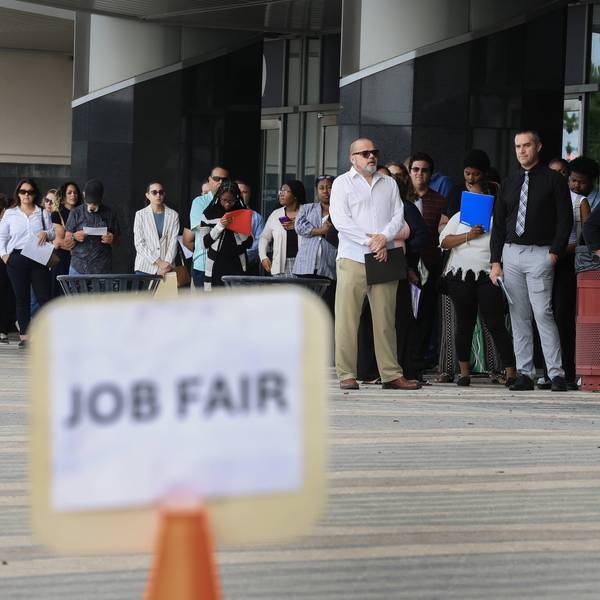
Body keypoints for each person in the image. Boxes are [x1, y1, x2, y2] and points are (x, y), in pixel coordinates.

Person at [329, 137, 420, 391]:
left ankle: (391, 374)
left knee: (385, 319)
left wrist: (384, 238)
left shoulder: (389, 183)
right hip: (353, 257)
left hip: (385, 255)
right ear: (353, 158)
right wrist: (372, 242)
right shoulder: (341, 184)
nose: (371, 156)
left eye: (374, 152)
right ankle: (346, 373)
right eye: (365, 153)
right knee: (348, 318)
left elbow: (397, 215)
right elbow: (340, 221)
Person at [490, 130, 573, 391]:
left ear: (538, 146)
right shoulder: (509, 181)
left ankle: (555, 373)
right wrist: (496, 261)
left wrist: (555, 252)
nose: (522, 151)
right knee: (519, 315)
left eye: (527, 145)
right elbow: (500, 226)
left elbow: (565, 219)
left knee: (542, 313)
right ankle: (525, 373)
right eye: (517, 146)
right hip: (512, 253)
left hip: (541, 253)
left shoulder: (553, 180)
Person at [439, 182, 516, 386]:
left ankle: (510, 372)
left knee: (496, 324)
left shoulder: (499, 222)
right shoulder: (458, 217)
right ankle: (464, 373)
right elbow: (444, 241)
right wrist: (468, 235)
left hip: (488, 275)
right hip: (460, 275)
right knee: (464, 324)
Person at [407, 152, 448, 383]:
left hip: (431, 263)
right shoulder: (402, 200)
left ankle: (421, 360)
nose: (419, 174)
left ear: (430, 174)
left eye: (423, 170)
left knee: (426, 314)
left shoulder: (439, 200)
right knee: (405, 313)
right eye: (415, 170)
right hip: (406, 263)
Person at [0, 178, 53, 348]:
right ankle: (25, 336)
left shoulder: (43, 212)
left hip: (38, 258)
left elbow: (52, 233)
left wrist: (46, 232)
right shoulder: (10, 213)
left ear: (35, 194)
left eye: (30, 192)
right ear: (18, 193)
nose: (26, 195)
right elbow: (1, 237)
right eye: (23, 192)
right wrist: (5, 256)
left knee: (44, 297)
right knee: (21, 298)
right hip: (16, 258)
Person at [292, 175, 337, 314]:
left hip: (329, 268)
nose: (326, 191)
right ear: (316, 191)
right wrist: (323, 230)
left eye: (329, 187)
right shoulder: (306, 208)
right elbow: (299, 227)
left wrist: (315, 231)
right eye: (321, 188)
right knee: (304, 309)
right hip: (305, 267)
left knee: (326, 309)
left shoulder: (340, 211)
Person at [199, 180, 252, 290]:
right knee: (216, 300)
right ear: (219, 196)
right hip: (216, 264)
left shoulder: (242, 211)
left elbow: (249, 243)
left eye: (231, 201)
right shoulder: (209, 213)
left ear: (236, 198)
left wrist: (237, 227)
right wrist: (219, 227)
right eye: (224, 200)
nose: (227, 204)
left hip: (237, 263)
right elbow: (204, 243)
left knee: (237, 302)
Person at [65, 179, 120, 274]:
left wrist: (112, 239)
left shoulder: (110, 213)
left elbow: (118, 243)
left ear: (101, 198)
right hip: (78, 268)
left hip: (103, 268)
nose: (92, 205)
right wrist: (74, 236)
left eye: (95, 202)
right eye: (89, 202)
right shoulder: (75, 213)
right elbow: (67, 242)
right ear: (83, 195)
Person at [190, 166, 229, 289]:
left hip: (226, 263)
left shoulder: (233, 202)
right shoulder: (199, 202)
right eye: (217, 178)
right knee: (205, 306)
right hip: (203, 262)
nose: (221, 182)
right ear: (209, 180)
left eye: (225, 180)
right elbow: (200, 227)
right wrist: (223, 224)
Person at [259, 180, 305, 277]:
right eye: (281, 191)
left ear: (295, 195)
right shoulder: (276, 214)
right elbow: (264, 237)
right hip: (280, 266)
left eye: (286, 191)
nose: (281, 194)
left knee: (301, 292)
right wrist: (263, 257)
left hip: (303, 265)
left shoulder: (307, 212)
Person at [133, 181, 180, 276]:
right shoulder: (140, 215)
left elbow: (173, 242)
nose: (158, 195)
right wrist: (159, 262)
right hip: (144, 267)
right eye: (154, 192)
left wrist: (166, 265)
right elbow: (139, 244)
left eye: (161, 192)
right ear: (147, 195)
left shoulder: (173, 215)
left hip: (167, 268)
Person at [49, 181, 81, 296]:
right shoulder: (57, 214)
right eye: (70, 192)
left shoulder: (82, 213)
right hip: (61, 259)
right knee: (60, 295)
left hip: (80, 261)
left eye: (75, 193)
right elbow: (58, 241)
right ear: (64, 195)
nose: (73, 195)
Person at [235, 179, 264, 275]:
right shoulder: (223, 214)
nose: (241, 195)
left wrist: (242, 257)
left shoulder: (257, 217)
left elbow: (259, 243)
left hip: (249, 266)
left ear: (249, 194)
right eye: (238, 192)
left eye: (245, 192)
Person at [0, 193, 16, 343]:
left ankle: (3, 329)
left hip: (6, 260)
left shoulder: (9, 220)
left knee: (6, 293)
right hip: (6, 259)